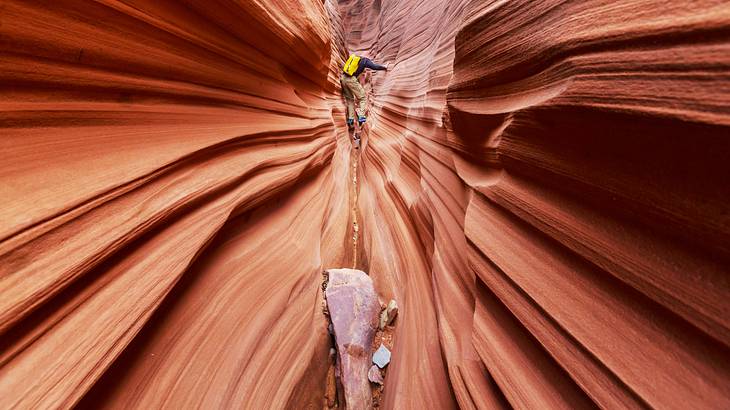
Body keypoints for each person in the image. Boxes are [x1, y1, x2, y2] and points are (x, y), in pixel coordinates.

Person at [340, 53, 387, 128]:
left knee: (350, 100)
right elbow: (374, 66)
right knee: (362, 98)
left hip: (343, 78)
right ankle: (361, 116)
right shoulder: (366, 61)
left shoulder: (353, 58)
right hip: (351, 80)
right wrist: (384, 67)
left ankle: (351, 119)